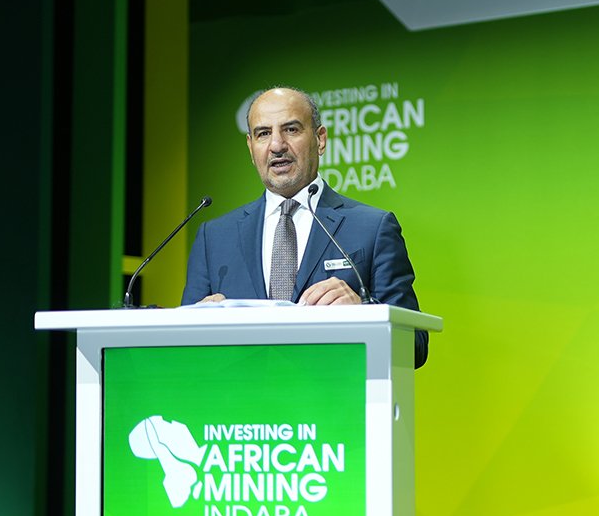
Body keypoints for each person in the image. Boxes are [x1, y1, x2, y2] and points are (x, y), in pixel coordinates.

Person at [181, 86, 429, 368]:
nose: (277, 145)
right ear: (251, 148)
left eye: (291, 129)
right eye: (263, 133)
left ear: (320, 139)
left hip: (333, 405)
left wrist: (364, 312)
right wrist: (193, 326)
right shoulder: (214, 238)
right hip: (240, 404)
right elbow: (182, 351)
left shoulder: (372, 228)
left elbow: (416, 346)